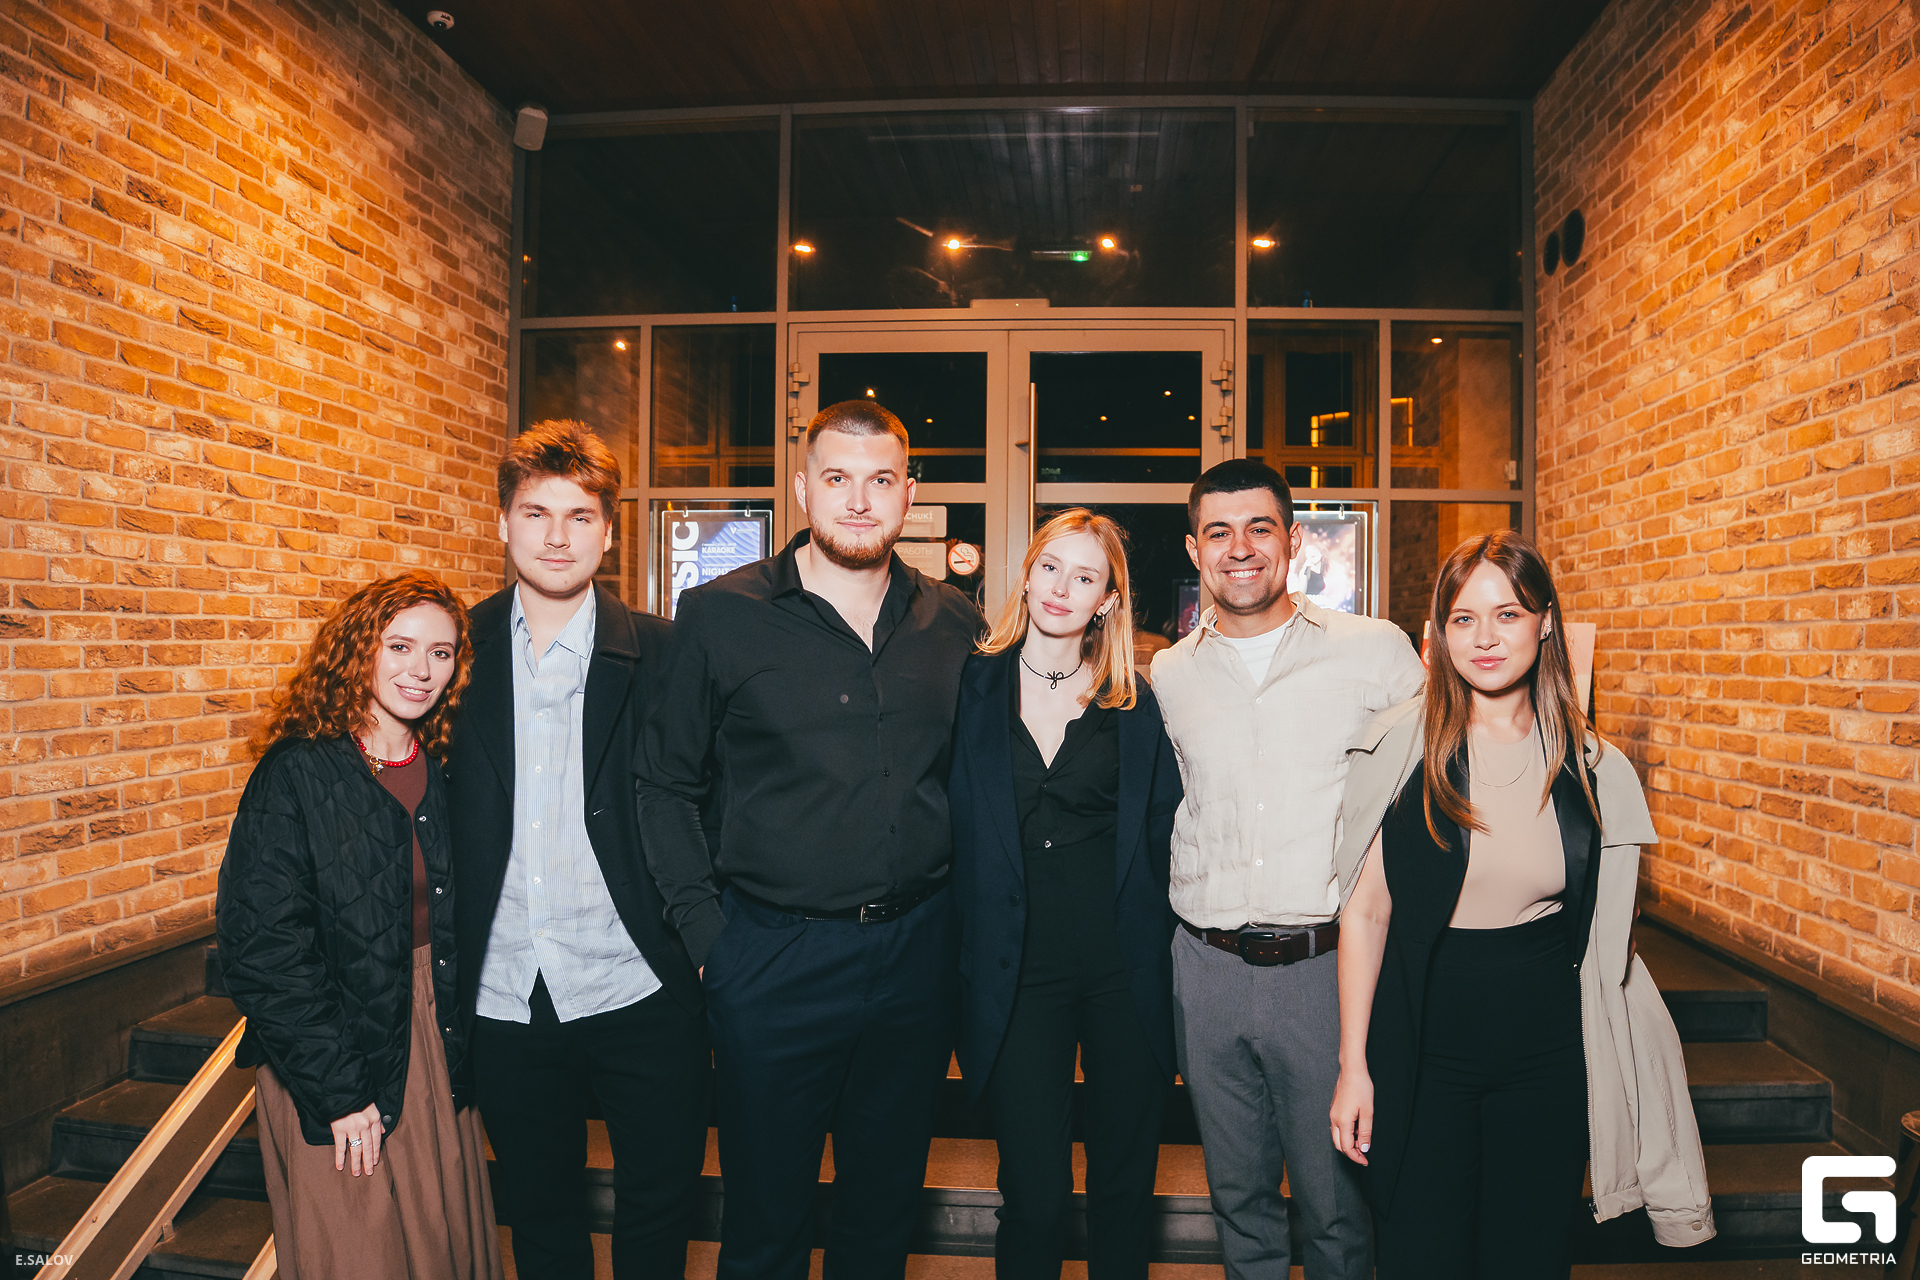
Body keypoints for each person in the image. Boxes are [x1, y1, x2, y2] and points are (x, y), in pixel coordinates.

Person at [637, 400, 980, 1280]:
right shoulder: (719, 615)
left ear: (909, 494)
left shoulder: (956, 622)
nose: (858, 501)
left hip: (916, 959)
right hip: (771, 958)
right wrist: (708, 941)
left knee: (883, 1213)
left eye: (880, 480)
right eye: (837, 479)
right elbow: (664, 784)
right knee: (766, 1221)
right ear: (802, 489)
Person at [1329, 530, 1715, 1279]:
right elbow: (1367, 914)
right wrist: (1353, 1066)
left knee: (1529, 1258)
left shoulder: (1594, 769)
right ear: (1439, 633)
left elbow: (1609, 939)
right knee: (1421, 1257)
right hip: (1424, 1047)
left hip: (1547, 1053)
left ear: (1545, 623)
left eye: (1507, 614)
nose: (1485, 638)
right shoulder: (1400, 749)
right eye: (1464, 618)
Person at [445, 420, 709, 1280]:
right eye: (536, 513)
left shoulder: (667, 654)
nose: (557, 536)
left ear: (609, 531)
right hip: (505, 988)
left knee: (660, 1205)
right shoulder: (454, 651)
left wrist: (704, 941)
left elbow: (712, 803)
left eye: (580, 516)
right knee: (540, 1212)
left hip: (639, 980)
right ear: (503, 523)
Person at [1149, 459, 1425, 1280]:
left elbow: (1449, 774)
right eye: (1219, 532)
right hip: (1205, 969)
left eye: (1259, 528)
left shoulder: (1375, 652)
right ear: (1195, 549)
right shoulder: (1168, 674)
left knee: (1336, 1209)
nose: (1240, 548)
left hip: (1325, 968)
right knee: (1239, 1203)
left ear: (1294, 540)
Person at [216, 571, 500, 1280]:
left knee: (444, 1245)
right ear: (357, 651)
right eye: (399, 646)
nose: (421, 670)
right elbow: (264, 950)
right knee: (359, 1252)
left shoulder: (443, 769)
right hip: (333, 1048)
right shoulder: (297, 772)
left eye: (440, 653)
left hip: (434, 1041)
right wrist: (339, 1092)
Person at [949, 510, 1184, 1280]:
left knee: (1123, 1190)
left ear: (1107, 600)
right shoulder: (970, 687)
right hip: (1015, 973)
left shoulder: (1134, 703)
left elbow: (1163, 832)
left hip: (1123, 971)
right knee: (1036, 1195)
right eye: (1050, 567)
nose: (1061, 587)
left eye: (1085, 576)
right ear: (1027, 576)